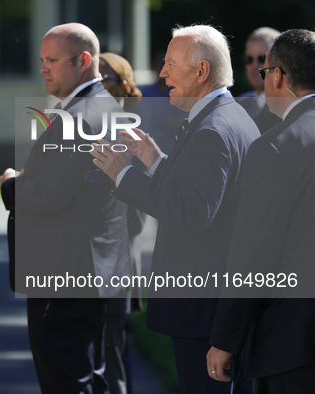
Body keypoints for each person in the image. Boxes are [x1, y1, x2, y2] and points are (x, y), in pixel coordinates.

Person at [90, 25, 259, 393]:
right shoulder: (228, 116)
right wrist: (155, 161)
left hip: (204, 313)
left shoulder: (214, 129)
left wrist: (124, 177)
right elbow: (208, 196)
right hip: (215, 309)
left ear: (201, 71)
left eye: (170, 63)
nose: (162, 72)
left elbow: (192, 214)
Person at [0, 23, 131, 393]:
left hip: (64, 276)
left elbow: (47, 195)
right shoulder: (104, 106)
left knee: (66, 382)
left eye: (52, 60)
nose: (43, 67)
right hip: (91, 272)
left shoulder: (80, 117)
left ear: (83, 61)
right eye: (42, 59)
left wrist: (11, 184)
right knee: (91, 378)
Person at [207, 28, 315, 394]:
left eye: (266, 70)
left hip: (294, 344)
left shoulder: (275, 147)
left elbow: (253, 254)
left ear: (279, 76)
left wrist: (225, 339)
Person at [98, 51, 145, 394]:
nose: (97, 88)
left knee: (113, 365)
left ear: (124, 87)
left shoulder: (129, 136)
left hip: (113, 267)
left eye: (104, 81)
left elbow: (138, 219)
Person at [237, 27, 281, 133]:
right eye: (249, 59)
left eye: (262, 59)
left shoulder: (289, 106)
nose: (254, 65)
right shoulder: (238, 105)